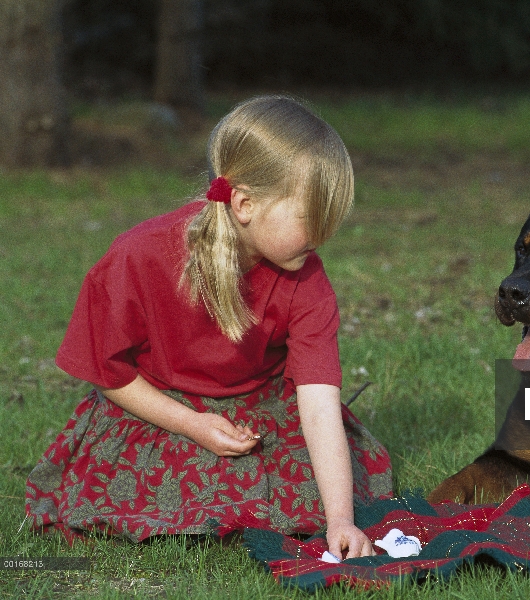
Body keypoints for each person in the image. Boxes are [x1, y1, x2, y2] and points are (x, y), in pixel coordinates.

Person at [25, 95, 392, 558]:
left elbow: (318, 406)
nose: (324, 235)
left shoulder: (307, 277)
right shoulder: (140, 255)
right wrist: (191, 424)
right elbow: (109, 373)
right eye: (312, 218)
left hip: (259, 406)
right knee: (150, 483)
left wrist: (340, 518)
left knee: (324, 479)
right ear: (244, 204)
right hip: (158, 407)